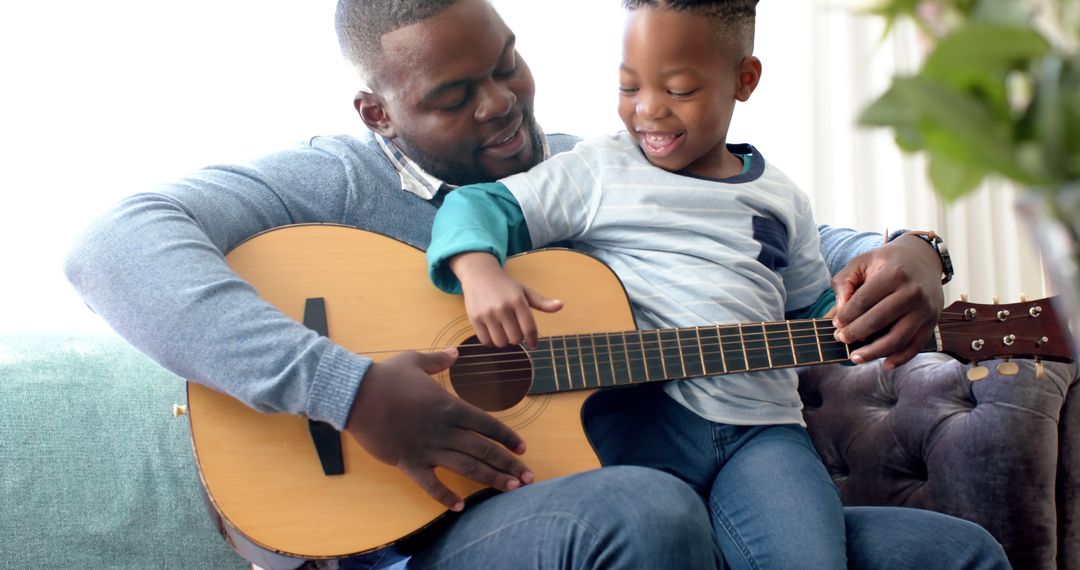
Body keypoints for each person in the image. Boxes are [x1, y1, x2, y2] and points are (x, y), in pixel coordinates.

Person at [63, 0, 1004, 568]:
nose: (501, 99)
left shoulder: (583, 165)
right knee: (646, 508)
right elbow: (111, 246)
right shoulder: (335, 181)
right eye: (452, 93)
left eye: (505, 59)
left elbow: (766, 236)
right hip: (407, 534)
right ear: (376, 111)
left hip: (652, 470)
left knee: (951, 554)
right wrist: (347, 392)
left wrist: (914, 246)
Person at [423, 1, 1002, 568]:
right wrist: (479, 270)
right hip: (639, 427)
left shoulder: (781, 198)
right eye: (629, 87)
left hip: (766, 436)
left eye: (679, 91)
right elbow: (481, 205)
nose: (649, 110)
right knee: (651, 526)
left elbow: (812, 306)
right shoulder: (596, 169)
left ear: (743, 80)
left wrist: (869, 316)